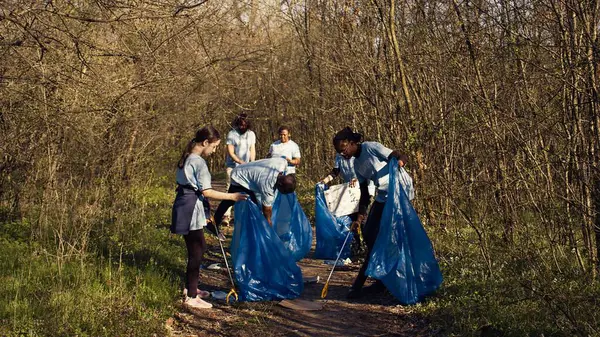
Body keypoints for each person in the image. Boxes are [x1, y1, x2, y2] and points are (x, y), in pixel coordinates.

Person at [171, 126, 248, 310]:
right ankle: (191, 296)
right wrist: (233, 197)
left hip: (186, 204)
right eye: (213, 147)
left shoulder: (187, 157)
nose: (213, 151)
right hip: (189, 208)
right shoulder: (198, 162)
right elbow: (206, 192)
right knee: (197, 251)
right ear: (205, 143)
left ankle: (191, 288)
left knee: (197, 248)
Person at [331, 126, 409, 300]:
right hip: (383, 195)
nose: (342, 154)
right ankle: (380, 277)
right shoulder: (356, 164)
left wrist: (400, 162)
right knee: (369, 233)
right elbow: (365, 193)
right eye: (339, 152)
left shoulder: (371, 147)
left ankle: (397, 280)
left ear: (352, 143)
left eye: (343, 150)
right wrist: (360, 216)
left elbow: (397, 155)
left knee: (394, 237)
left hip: (398, 191)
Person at [213, 158, 296, 227]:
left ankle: (215, 221)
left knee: (253, 205)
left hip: (246, 170)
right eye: (284, 191)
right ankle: (214, 223)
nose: (284, 193)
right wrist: (268, 225)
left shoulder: (282, 163)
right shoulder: (267, 184)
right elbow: (266, 209)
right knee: (247, 204)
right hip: (240, 177)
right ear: (280, 184)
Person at [223, 113, 256, 225]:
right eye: (240, 125)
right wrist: (240, 162)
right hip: (233, 167)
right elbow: (231, 152)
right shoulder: (232, 134)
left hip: (246, 168)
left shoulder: (251, 134)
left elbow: (252, 149)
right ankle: (226, 215)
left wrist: (252, 163)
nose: (242, 127)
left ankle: (242, 214)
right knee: (230, 189)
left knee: (247, 189)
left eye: (244, 125)